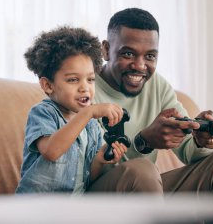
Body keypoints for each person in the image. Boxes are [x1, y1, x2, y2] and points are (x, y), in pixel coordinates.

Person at [90, 7, 213, 193]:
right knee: (143, 170)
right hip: (101, 194)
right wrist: (143, 143)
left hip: (147, 190)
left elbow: (189, 152)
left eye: (150, 56)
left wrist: (200, 140)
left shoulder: (157, 85)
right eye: (128, 54)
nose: (140, 66)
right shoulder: (85, 87)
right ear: (106, 50)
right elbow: (90, 167)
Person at [15, 26, 128, 194]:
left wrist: (101, 158)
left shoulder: (92, 127)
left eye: (90, 79)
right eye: (73, 80)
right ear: (48, 85)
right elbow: (51, 151)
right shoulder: (43, 113)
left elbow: (87, 177)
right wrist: (88, 112)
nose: (85, 88)